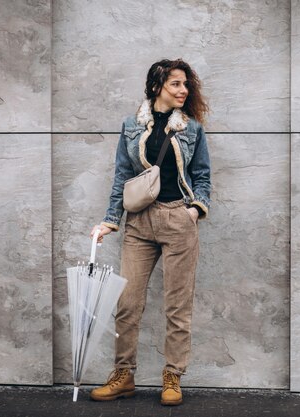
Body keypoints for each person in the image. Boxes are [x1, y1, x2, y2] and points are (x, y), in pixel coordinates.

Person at [88, 58, 211, 406]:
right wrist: (109, 221)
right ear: (157, 85)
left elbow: (202, 176)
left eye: (185, 84)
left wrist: (193, 210)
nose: (183, 90)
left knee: (177, 305)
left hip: (178, 220)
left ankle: (172, 377)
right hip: (139, 223)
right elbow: (121, 177)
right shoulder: (131, 126)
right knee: (127, 303)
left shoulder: (192, 129)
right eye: (175, 84)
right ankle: (123, 375)